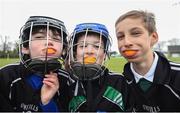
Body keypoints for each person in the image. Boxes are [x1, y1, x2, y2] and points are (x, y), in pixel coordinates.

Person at [0, 16, 70, 112]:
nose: (48, 42)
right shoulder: (5, 77)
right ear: (25, 47)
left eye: (56, 39)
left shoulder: (67, 81)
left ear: (63, 49)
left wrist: (48, 103)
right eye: (39, 37)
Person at [115, 10, 180, 112]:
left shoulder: (177, 76)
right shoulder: (121, 82)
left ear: (153, 37)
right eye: (120, 37)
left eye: (135, 33)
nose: (126, 42)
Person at [66, 23, 128, 112]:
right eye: (83, 46)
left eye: (97, 46)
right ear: (75, 52)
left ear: (105, 54)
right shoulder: (67, 83)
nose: (89, 51)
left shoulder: (119, 82)